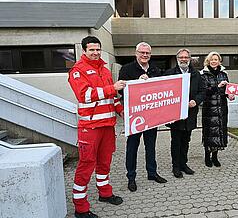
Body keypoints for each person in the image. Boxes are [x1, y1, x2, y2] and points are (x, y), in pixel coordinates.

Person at [68, 36, 126, 218]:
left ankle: (105, 193)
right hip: (90, 127)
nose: (95, 52)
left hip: (108, 126)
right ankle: (80, 207)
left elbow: (113, 97)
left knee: (104, 162)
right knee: (86, 164)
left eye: (98, 49)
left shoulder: (105, 69)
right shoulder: (77, 70)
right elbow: (84, 95)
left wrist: (122, 111)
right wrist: (112, 88)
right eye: (91, 49)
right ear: (84, 50)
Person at [118, 42, 167, 192]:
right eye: (142, 52)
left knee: (151, 146)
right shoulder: (126, 69)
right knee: (132, 147)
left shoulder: (155, 69)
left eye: (147, 53)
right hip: (135, 116)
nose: (145, 55)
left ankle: (152, 173)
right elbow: (121, 91)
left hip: (151, 115)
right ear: (136, 53)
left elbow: (161, 89)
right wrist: (137, 83)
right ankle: (131, 177)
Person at [164, 48, 205, 178]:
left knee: (186, 141)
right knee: (176, 141)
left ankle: (184, 164)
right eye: (181, 57)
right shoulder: (170, 73)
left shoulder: (196, 74)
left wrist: (196, 101)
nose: (183, 59)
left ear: (189, 59)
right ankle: (175, 166)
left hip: (190, 113)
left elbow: (202, 91)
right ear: (177, 59)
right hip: (175, 115)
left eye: (186, 57)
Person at [200, 51, 235, 168]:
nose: (214, 61)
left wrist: (230, 95)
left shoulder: (223, 74)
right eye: (212, 59)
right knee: (209, 133)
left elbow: (227, 90)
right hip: (209, 109)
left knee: (219, 133)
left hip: (221, 108)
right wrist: (217, 87)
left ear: (219, 61)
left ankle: (215, 157)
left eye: (216, 59)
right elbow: (204, 92)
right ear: (208, 61)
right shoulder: (203, 74)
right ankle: (207, 156)